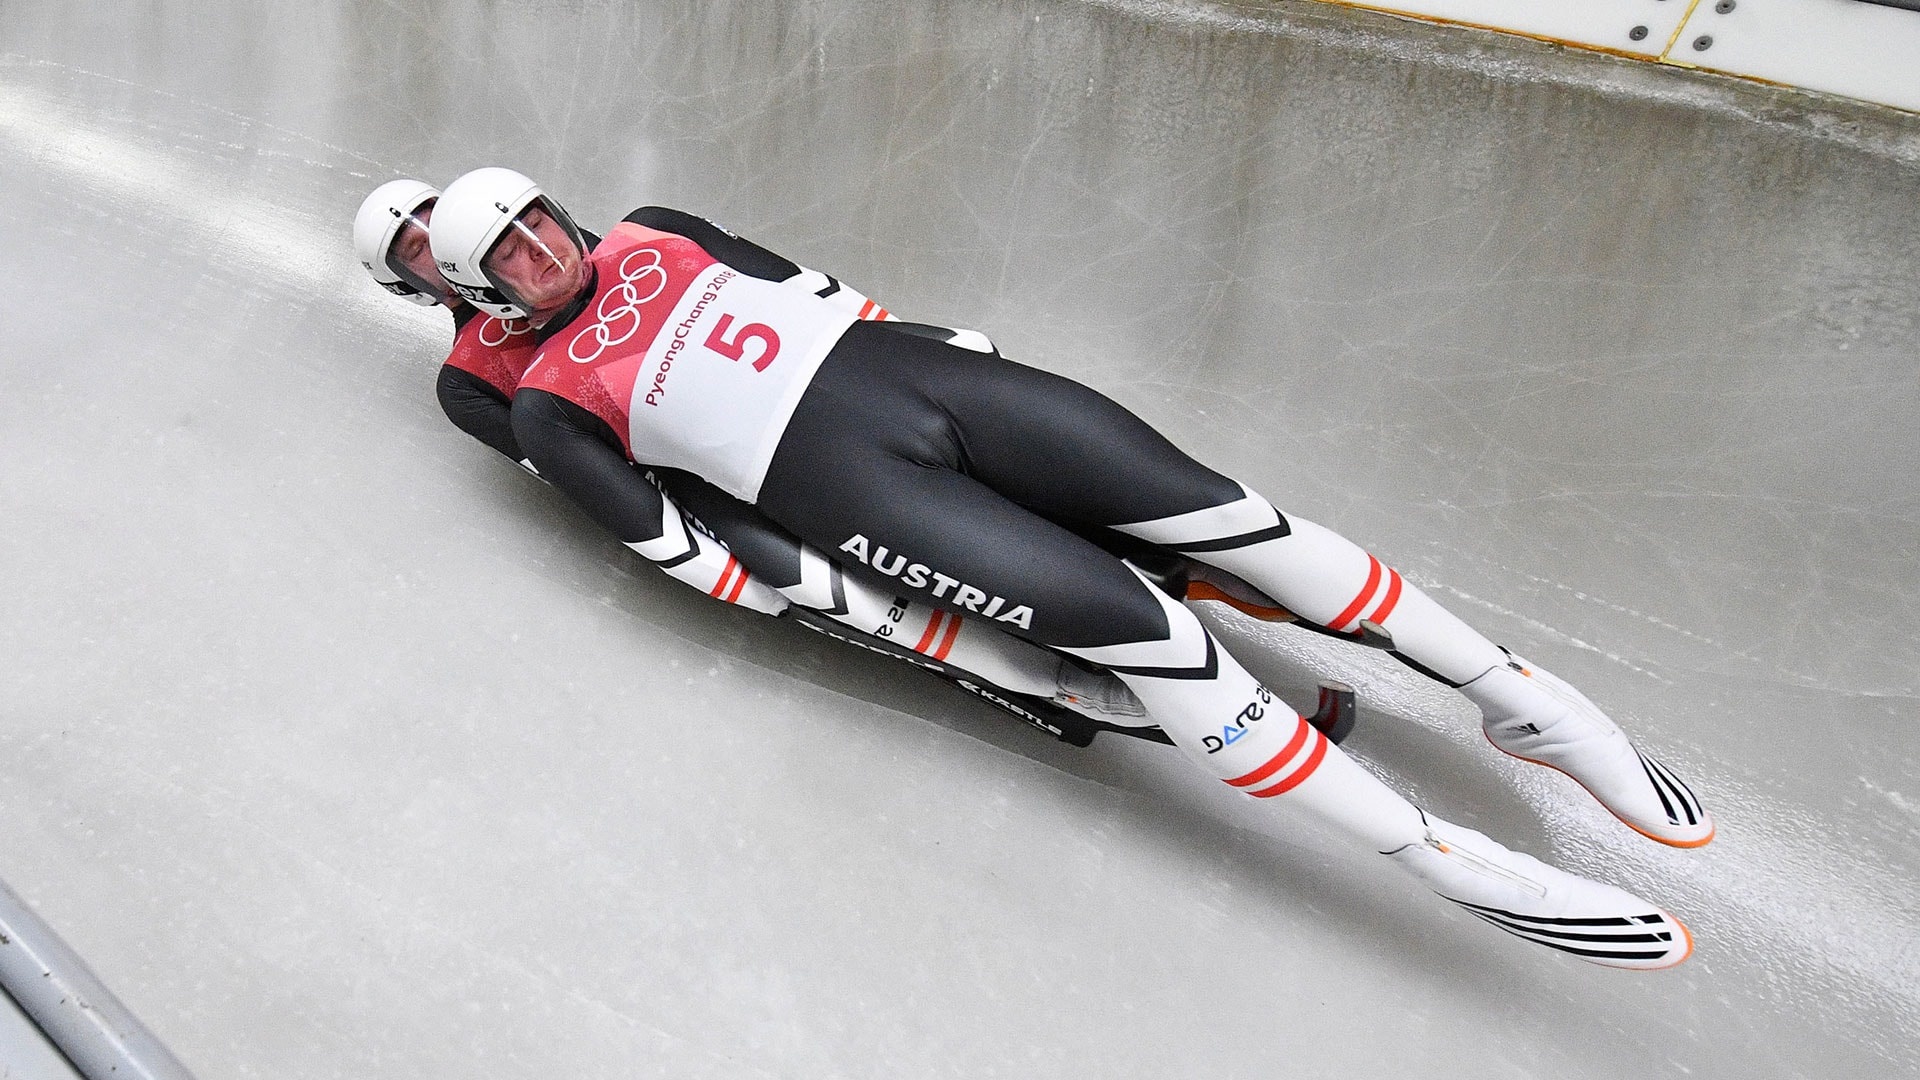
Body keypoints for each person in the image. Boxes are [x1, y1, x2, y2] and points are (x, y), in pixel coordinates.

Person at [429, 166, 1718, 970]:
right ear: (486, 299)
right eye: (517, 260)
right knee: (1147, 635)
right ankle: (1439, 857)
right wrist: (819, 589)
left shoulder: (662, 228)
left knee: (1228, 515)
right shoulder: (542, 400)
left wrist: (950, 349)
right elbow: (673, 546)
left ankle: (1525, 700)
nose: (548, 257)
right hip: (855, 490)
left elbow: (827, 294)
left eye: (545, 226)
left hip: (923, 388)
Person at [352, 177, 1161, 742]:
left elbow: (742, 283)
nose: (433, 251)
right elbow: (555, 462)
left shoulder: (566, 254)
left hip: (797, 392)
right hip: (699, 469)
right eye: (414, 253)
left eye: (433, 229)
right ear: (408, 284)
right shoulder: (466, 382)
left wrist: (879, 332)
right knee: (821, 582)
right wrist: (687, 547)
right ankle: (1033, 672)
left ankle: (1114, 522)